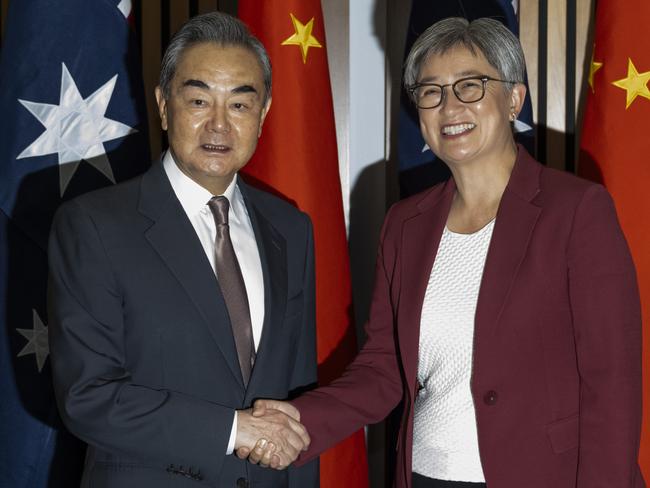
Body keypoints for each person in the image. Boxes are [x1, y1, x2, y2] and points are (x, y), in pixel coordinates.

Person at [241, 17, 646, 488]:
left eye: (470, 86)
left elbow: (611, 384)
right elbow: (383, 368)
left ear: (514, 98)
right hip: (424, 475)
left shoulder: (576, 211)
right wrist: (299, 420)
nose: (449, 106)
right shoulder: (404, 224)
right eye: (431, 91)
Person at [48, 12, 318, 488]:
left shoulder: (290, 228)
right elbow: (86, 397)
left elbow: (296, 398)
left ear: (264, 112)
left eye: (239, 105)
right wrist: (234, 430)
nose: (219, 124)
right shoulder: (93, 225)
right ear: (163, 104)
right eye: (198, 100)